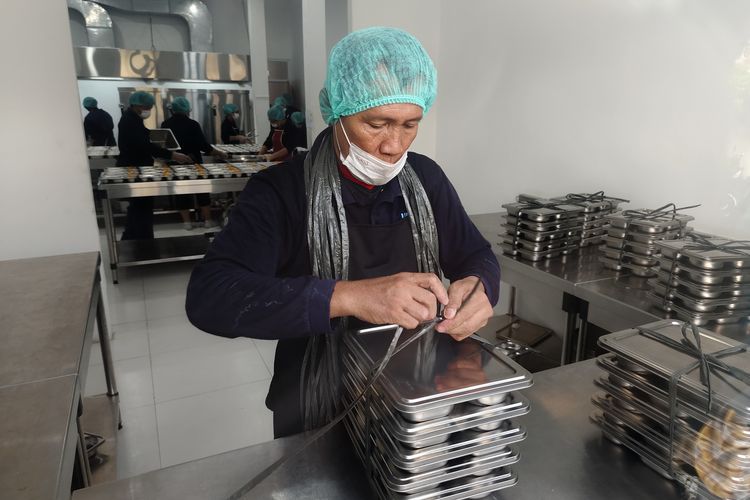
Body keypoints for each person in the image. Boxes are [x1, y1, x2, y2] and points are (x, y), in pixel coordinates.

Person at [186, 27, 499, 438]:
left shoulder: (425, 179)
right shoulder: (283, 192)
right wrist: (350, 296)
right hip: (314, 401)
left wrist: (480, 287)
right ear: (338, 111)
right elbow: (211, 296)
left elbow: (475, 254)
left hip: (409, 393)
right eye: (377, 123)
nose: (393, 145)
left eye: (409, 125)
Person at [117, 91, 191, 240]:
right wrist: (173, 155)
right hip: (135, 168)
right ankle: (142, 241)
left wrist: (162, 142)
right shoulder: (129, 120)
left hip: (138, 167)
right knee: (141, 208)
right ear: (137, 105)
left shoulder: (133, 119)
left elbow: (146, 136)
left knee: (137, 208)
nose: (148, 110)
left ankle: (131, 239)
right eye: (147, 107)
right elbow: (144, 145)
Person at [162, 96, 228, 230]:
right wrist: (220, 153)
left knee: (181, 192)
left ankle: (187, 223)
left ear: (173, 110)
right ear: (187, 109)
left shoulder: (165, 124)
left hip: (175, 163)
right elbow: (204, 146)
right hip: (194, 162)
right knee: (201, 190)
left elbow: (163, 146)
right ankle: (208, 221)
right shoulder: (193, 124)